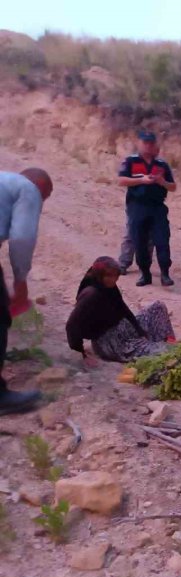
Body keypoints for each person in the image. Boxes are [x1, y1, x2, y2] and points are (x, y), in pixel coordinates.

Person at [0, 168, 52, 415]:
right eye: (45, 198)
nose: (41, 205)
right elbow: (21, 238)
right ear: (40, 186)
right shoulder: (28, 188)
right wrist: (20, 279)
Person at [66, 257, 174, 364]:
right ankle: (156, 347)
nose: (115, 280)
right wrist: (81, 353)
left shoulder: (108, 287)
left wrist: (139, 330)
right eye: (111, 277)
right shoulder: (91, 294)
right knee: (166, 352)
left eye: (116, 276)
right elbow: (72, 325)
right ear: (100, 276)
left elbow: (123, 308)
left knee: (158, 307)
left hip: (125, 329)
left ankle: (163, 341)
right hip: (114, 344)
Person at [117, 130, 177, 287]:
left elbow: (173, 187)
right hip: (137, 206)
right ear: (139, 143)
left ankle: (165, 273)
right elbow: (121, 180)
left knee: (162, 240)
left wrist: (162, 181)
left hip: (157, 207)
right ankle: (145, 273)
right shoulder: (131, 161)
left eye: (151, 143)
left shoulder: (162, 165)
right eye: (145, 143)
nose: (148, 146)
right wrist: (142, 180)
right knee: (139, 241)